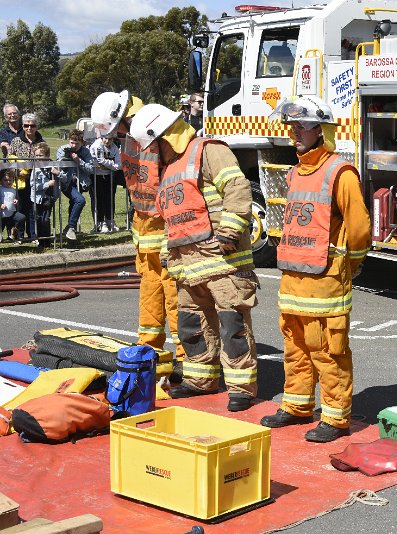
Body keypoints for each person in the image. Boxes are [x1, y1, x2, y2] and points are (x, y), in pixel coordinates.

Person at [129, 103, 258, 412]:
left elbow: (237, 188)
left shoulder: (207, 150)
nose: (151, 153)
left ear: (165, 136)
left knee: (232, 325)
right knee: (192, 325)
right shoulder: (170, 169)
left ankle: (242, 387)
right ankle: (200, 379)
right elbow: (171, 219)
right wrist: (167, 255)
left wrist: (229, 232)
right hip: (188, 266)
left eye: (153, 145)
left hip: (222, 261)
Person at [259, 95, 370, 443]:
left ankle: (336, 417)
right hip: (293, 282)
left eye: (302, 126)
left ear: (321, 130)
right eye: (292, 125)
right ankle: (296, 404)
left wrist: (349, 265)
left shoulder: (340, 172)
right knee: (295, 347)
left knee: (327, 350)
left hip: (325, 283)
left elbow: (360, 228)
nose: (294, 132)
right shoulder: (295, 172)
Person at [91, 90, 186, 374]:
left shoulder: (156, 125)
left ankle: (187, 353)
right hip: (144, 226)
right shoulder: (131, 134)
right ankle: (150, 347)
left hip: (167, 223)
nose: (115, 136)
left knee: (175, 292)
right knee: (150, 288)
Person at [9, 113, 45, 237]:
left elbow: (45, 158)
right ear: (23, 126)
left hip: (35, 177)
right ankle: (19, 235)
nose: (29, 128)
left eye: (32, 125)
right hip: (19, 178)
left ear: (36, 126)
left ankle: (33, 234)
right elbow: (9, 158)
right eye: (26, 125)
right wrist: (16, 171)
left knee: (33, 207)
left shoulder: (41, 141)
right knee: (20, 207)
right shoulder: (16, 141)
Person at [54, 129, 93, 241]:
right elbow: (59, 165)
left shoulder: (85, 151)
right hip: (66, 182)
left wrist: (79, 161)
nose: (74, 145)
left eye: (77, 143)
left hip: (80, 183)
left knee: (74, 204)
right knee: (80, 200)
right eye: (72, 142)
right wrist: (68, 157)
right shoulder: (62, 149)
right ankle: (71, 227)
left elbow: (90, 168)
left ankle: (70, 232)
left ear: (82, 142)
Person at [89, 131, 121, 232]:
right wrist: (112, 164)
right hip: (96, 175)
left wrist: (111, 165)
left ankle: (109, 220)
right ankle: (99, 222)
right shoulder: (97, 145)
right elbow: (100, 160)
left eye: (110, 139)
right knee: (99, 198)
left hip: (108, 175)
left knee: (110, 198)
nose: (107, 141)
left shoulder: (114, 147)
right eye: (105, 138)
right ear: (102, 137)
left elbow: (118, 164)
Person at [30, 142, 57, 244]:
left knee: (46, 219)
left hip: (48, 198)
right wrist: (47, 184)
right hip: (36, 198)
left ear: (47, 156)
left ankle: (47, 241)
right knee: (38, 219)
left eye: (40, 155)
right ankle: (41, 241)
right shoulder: (35, 169)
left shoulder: (51, 167)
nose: (38, 158)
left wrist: (57, 173)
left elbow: (62, 178)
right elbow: (33, 185)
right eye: (36, 155)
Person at [0, 169, 25, 242]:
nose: (8, 182)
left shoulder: (13, 190)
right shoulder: (0, 189)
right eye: (5, 180)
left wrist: (16, 201)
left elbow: (16, 198)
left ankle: (14, 230)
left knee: (21, 217)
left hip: (11, 213)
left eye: (10, 180)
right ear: (1, 181)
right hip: (2, 215)